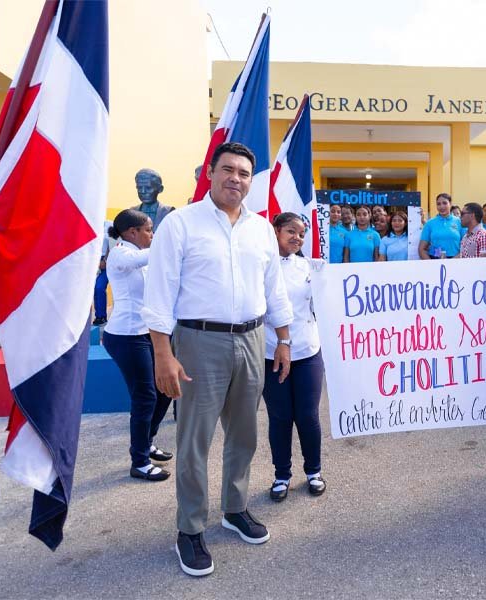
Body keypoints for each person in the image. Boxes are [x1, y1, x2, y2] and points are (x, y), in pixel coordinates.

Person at [142, 142, 294, 577]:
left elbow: (274, 289)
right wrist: (162, 354)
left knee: (244, 435)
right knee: (194, 441)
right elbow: (160, 293)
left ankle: (234, 509)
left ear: (251, 180)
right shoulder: (181, 224)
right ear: (210, 173)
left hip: (251, 339)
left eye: (244, 173)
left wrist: (283, 339)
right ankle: (189, 529)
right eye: (227, 170)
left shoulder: (262, 229)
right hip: (197, 342)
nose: (236, 179)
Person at [103, 209, 173, 482]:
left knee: (165, 389)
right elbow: (153, 255)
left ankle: (147, 441)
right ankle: (140, 461)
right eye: (149, 230)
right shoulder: (121, 253)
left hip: (146, 333)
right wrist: (170, 238)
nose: (152, 235)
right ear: (132, 232)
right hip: (126, 336)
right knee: (145, 396)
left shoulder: (138, 255)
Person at [264, 213, 326, 502]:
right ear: (275, 231)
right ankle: (282, 475)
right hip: (271, 352)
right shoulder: (262, 265)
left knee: (307, 415)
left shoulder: (308, 267)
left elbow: (326, 301)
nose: (297, 238)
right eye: (291, 231)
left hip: (307, 350)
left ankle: (313, 471)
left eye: (301, 234)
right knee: (280, 417)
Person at [418, 193, 461, 259]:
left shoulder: (460, 222)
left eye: (444, 203)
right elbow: (421, 249)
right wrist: (431, 264)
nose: (441, 206)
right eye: (438, 204)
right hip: (435, 261)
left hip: (456, 261)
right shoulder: (430, 223)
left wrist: (452, 262)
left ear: (450, 204)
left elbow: (466, 247)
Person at [92, 219, 113, 326]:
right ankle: (97, 316)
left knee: (99, 287)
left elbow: (112, 243)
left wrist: (105, 260)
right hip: (91, 260)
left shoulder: (109, 224)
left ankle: (102, 316)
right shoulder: (86, 222)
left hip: (105, 260)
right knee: (92, 289)